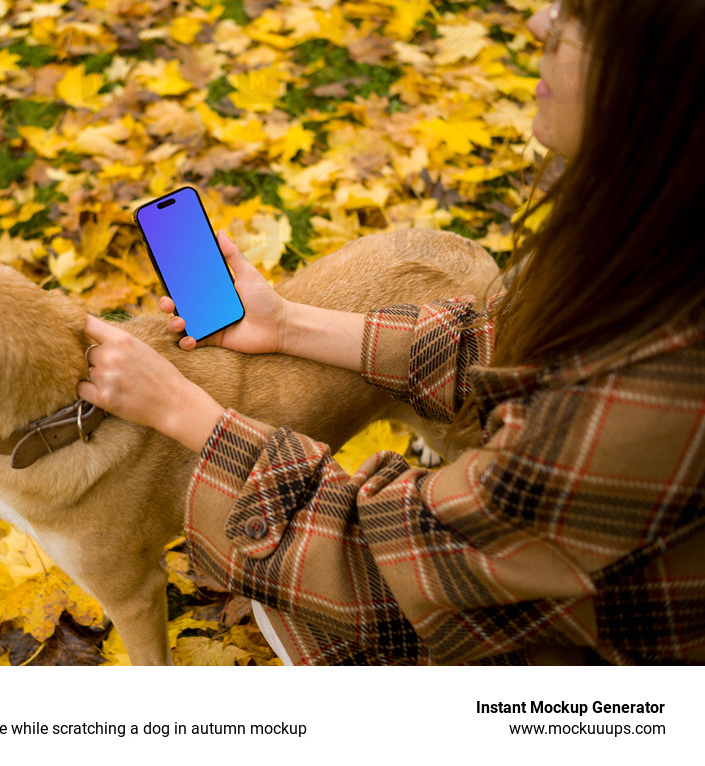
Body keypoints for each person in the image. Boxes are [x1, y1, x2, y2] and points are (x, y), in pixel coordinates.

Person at [77, 1, 705, 665]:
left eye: (583, 17)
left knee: (284, 579)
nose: (540, 24)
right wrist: (288, 323)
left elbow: (384, 579)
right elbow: (508, 346)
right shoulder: (664, 252)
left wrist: (187, 412)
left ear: (672, 81)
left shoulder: (646, 388)